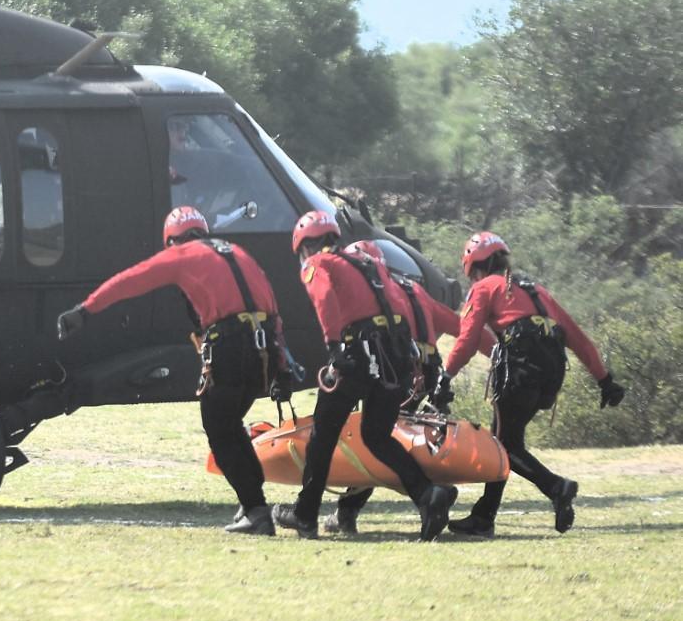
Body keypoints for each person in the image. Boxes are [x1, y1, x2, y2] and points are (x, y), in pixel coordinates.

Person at [57, 205, 293, 535]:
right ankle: (253, 505)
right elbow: (272, 309)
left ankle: (255, 510)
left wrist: (84, 310)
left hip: (230, 348)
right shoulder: (237, 252)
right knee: (229, 425)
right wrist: (282, 366)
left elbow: (131, 280)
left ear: (172, 241)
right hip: (263, 351)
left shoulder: (181, 255)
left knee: (219, 429)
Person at [271, 211, 458, 541]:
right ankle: (428, 495)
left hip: (359, 353)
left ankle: (305, 514)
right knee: (376, 435)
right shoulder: (371, 267)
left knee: (323, 434)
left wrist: (333, 347)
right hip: (396, 357)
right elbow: (403, 308)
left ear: (305, 246)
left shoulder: (318, 263)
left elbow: (324, 297)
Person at [436, 231, 626, 537]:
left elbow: (468, 338)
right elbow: (577, 338)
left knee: (503, 446)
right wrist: (605, 380)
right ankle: (484, 517)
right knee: (505, 440)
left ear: (474, 266)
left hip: (520, 369)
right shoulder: (536, 290)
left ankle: (556, 487)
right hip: (551, 373)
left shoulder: (484, 288)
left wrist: (445, 375)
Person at [323, 238, 467, 536]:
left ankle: (427, 493)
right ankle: (353, 510)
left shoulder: (382, 293)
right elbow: (462, 328)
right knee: (383, 438)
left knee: (376, 439)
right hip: (422, 373)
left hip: (397, 371)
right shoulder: (414, 290)